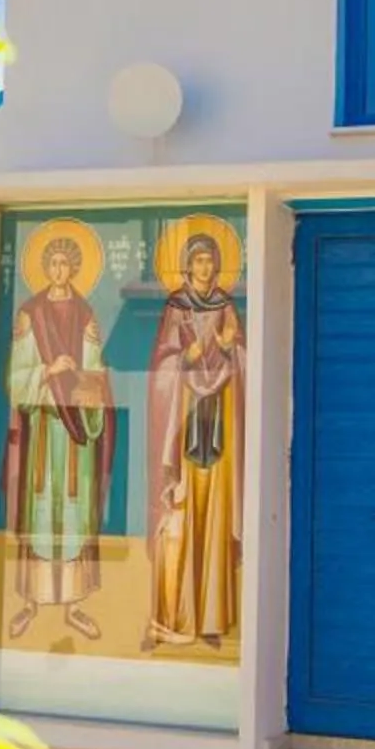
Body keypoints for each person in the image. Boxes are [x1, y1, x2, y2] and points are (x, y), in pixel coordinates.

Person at [3, 231, 111, 639]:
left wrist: (83, 381)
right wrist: (49, 370)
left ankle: (74, 605)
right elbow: (16, 379)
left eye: (66, 263)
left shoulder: (85, 315)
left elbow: (95, 371)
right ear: (45, 268)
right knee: (42, 510)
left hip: (76, 432)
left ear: (75, 269)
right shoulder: (30, 314)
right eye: (53, 263)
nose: (59, 270)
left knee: (75, 512)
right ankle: (32, 602)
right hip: (46, 428)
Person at [146, 232, 244, 649]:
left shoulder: (225, 306)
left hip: (218, 423)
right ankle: (174, 616)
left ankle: (210, 619)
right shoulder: (176, 308)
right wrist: (185, 357)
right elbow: (161, 364)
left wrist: (229, 347)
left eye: (210, 261)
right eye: (198, 260)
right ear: (187, 266)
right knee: (182, 521)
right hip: (183, 426)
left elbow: (242, 356)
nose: (205, 268)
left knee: (216, 519)